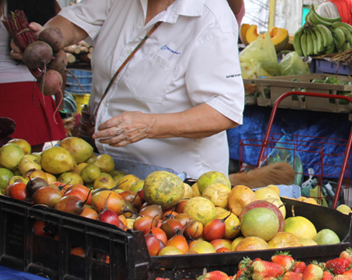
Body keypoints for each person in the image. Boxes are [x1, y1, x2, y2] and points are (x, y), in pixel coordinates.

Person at [11, 0, 245, 178]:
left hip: (179, 179)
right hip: (106, 170)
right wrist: (48, 41)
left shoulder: (212, 18)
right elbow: (72, 22)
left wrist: (149, 126)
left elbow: (224, 110)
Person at [0, 0, 66, 152]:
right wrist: (59, 106)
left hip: (28, 95)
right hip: (30, 95)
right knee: (27, 168)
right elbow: (59, 45)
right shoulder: (44, 4)